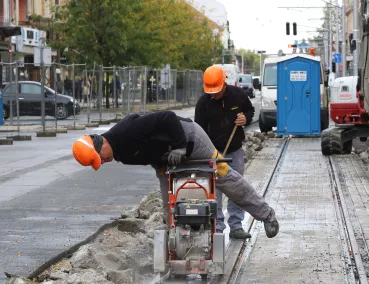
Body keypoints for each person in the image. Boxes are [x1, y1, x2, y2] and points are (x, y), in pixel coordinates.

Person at [71, 110, 279, 239]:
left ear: (101, 143)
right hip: (167, 159)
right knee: (168, 203)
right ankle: (177, 247)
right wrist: (161, 166)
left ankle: (265, 214)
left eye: (102, 158)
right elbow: (149, 152)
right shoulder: (119, 153)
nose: (105, 162)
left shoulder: (128, 131)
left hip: (190, 140)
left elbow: (167, 117)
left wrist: (180, 147)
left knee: (224, 176)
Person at [195, 66, 254, 239]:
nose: (213, 94)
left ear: (224, 83)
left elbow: (250, 110)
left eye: (216, 90)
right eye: (211, 91)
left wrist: (246, 119)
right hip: (212, 153)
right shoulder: (203, 103)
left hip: (234, 151)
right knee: (215, 190)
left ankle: (236, 226)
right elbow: (198, 130)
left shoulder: (238, 95)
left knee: (236, 188)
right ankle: (217, 226)